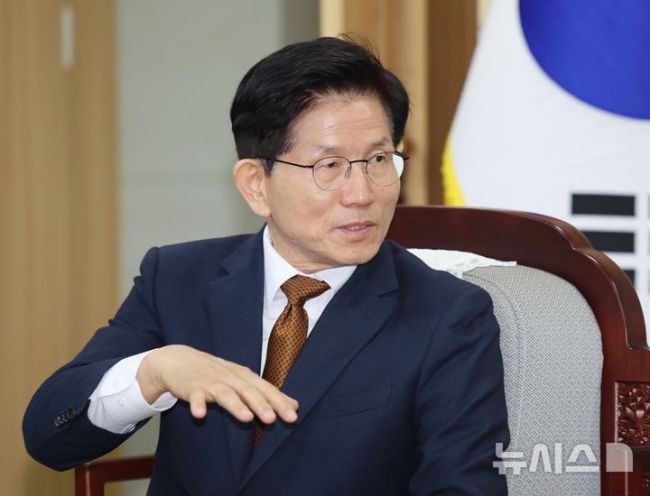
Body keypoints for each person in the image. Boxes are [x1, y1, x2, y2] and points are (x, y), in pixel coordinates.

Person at [23, 36, 509, 495]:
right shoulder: (177, 278)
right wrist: (155, 371)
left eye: (378, 159)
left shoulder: (447, 315)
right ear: (256, 184)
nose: (363, 194)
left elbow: (465, 485)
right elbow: (49, 436)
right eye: (330, 166)